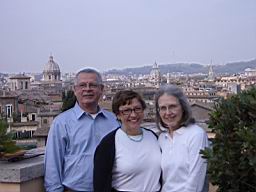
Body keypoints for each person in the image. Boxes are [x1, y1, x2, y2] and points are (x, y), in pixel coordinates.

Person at [44, 68, 120, 192]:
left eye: (93, 85)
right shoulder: (61, 123)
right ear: (75, 90)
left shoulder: (113, 121)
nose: (88, 89)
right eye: (82, 85)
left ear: (101, 89)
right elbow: (52, 164)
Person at [93, 90, 161, 192]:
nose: (133, 115)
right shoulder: (108, 144)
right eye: (127, 111)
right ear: (118, 115)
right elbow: (100, 185)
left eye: (137, 109)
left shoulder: (153, 137)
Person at [155, 85, 209, 192]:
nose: (168, 113)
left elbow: (195, 181)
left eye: (172, 106)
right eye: (163, 108)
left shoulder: (196, 135)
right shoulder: (162, 138)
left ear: (183, 107)